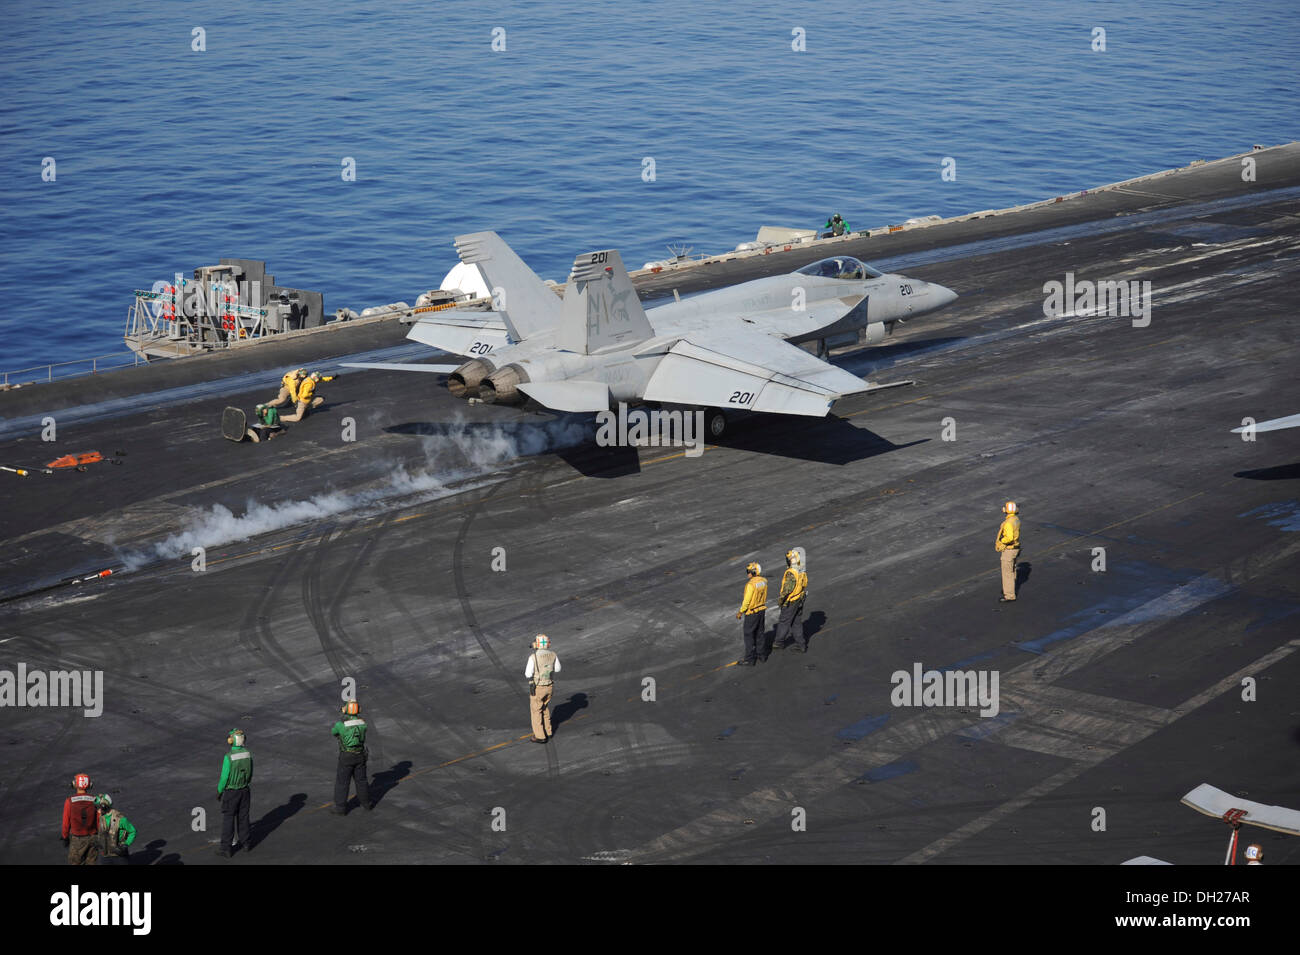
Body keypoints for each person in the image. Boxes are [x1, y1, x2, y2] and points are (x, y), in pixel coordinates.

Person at [216, 728, 253, 857]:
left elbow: (224, 777)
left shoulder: (229, 757)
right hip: (245, 790)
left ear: (231, 740)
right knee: (243, 817)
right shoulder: (248, 754)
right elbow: (249, 774)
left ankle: (226, 848)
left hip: (231, 792)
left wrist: (219, 791)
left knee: (228, 819)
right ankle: (246, 843)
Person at [331, 700, 372, 814]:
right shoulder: (363, 724)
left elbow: (334, 732)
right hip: (360, 755)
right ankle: (366, 804)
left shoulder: (340, 725)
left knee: (342, 783)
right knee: (361, 781)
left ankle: (340, 808)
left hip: (346, 756)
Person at [525, 634, 560, 742]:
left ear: (537, 644)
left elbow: (527, 673)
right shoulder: (553, 654)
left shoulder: (533, 657)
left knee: (536, 711)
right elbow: (558, 669)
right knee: (545, 708)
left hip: (538, 688)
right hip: (549, 686)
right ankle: (548, 731)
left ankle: (540, 736)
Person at [774, 548, 809, 652]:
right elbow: (805, 583)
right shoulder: (801, 570)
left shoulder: (791, 572)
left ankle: (778, 642)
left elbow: (787, 590)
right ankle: (801, 645)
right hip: (799, 599)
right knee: (796, 623)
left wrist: (781, 601)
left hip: (791, 601)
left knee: (784, 621)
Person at [61, 773, 98, 865]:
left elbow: (66, 822)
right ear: (89, 785)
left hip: (77, 839)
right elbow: (98, 820)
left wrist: (65, 837)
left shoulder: (69, 801)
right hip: (93, 837)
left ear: (75, 784)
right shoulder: (94, 800)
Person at [736, 562, 768, 665]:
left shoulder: (750, 585)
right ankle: (762, 655)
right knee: (760, 633)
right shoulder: (764, 581)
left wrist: (741, 612)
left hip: (752, 613)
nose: (747, 574)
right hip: (761, 610)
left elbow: (747, 601)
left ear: (753, 572)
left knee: (748, 635)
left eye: (748, 572)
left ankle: (749, 659)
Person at [94, 793, 136, 864]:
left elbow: (132, 831)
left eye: (99, 807)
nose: (97, 810)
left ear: (104, 806)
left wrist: (125, 844)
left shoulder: (120, 819)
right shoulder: (101, 817)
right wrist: (98, 842)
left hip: (119, 856)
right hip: (105, 855)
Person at [996, 501, 1021, 602]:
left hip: (1009, 550)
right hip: (1016, 548)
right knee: (1012, 570)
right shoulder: (1016, 519)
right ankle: (1009, 588)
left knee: (1007, 573)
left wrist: (1002, 541)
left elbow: (1009, 537)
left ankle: (1009, 595)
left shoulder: (1008, 523)